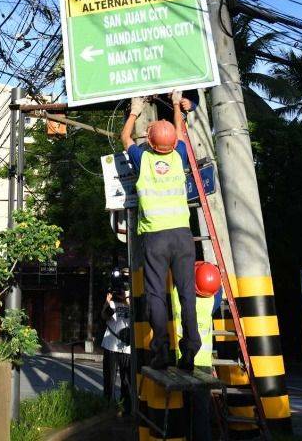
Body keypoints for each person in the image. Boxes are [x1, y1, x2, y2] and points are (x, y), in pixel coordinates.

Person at [121, 90, 201, 372]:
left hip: (155, 237)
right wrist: (177, 102)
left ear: (152, 142)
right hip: (182, 235)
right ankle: (189, 352)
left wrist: (134, 110)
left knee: (156, 295)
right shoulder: (179, 155)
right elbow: (179, 131)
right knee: (186, 294)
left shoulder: (142, 160)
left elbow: (125, 138)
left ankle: (161, 352)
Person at [101, 276, 131, 414]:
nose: (121, 293)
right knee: (109, 379)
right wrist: (107, 301)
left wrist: (128, 301)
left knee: (126, 381)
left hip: (127, 349)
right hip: (111, 346)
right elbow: (104, 316)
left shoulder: (132, 305)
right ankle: (108, 406)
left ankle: (126, 406)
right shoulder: (112, 304)